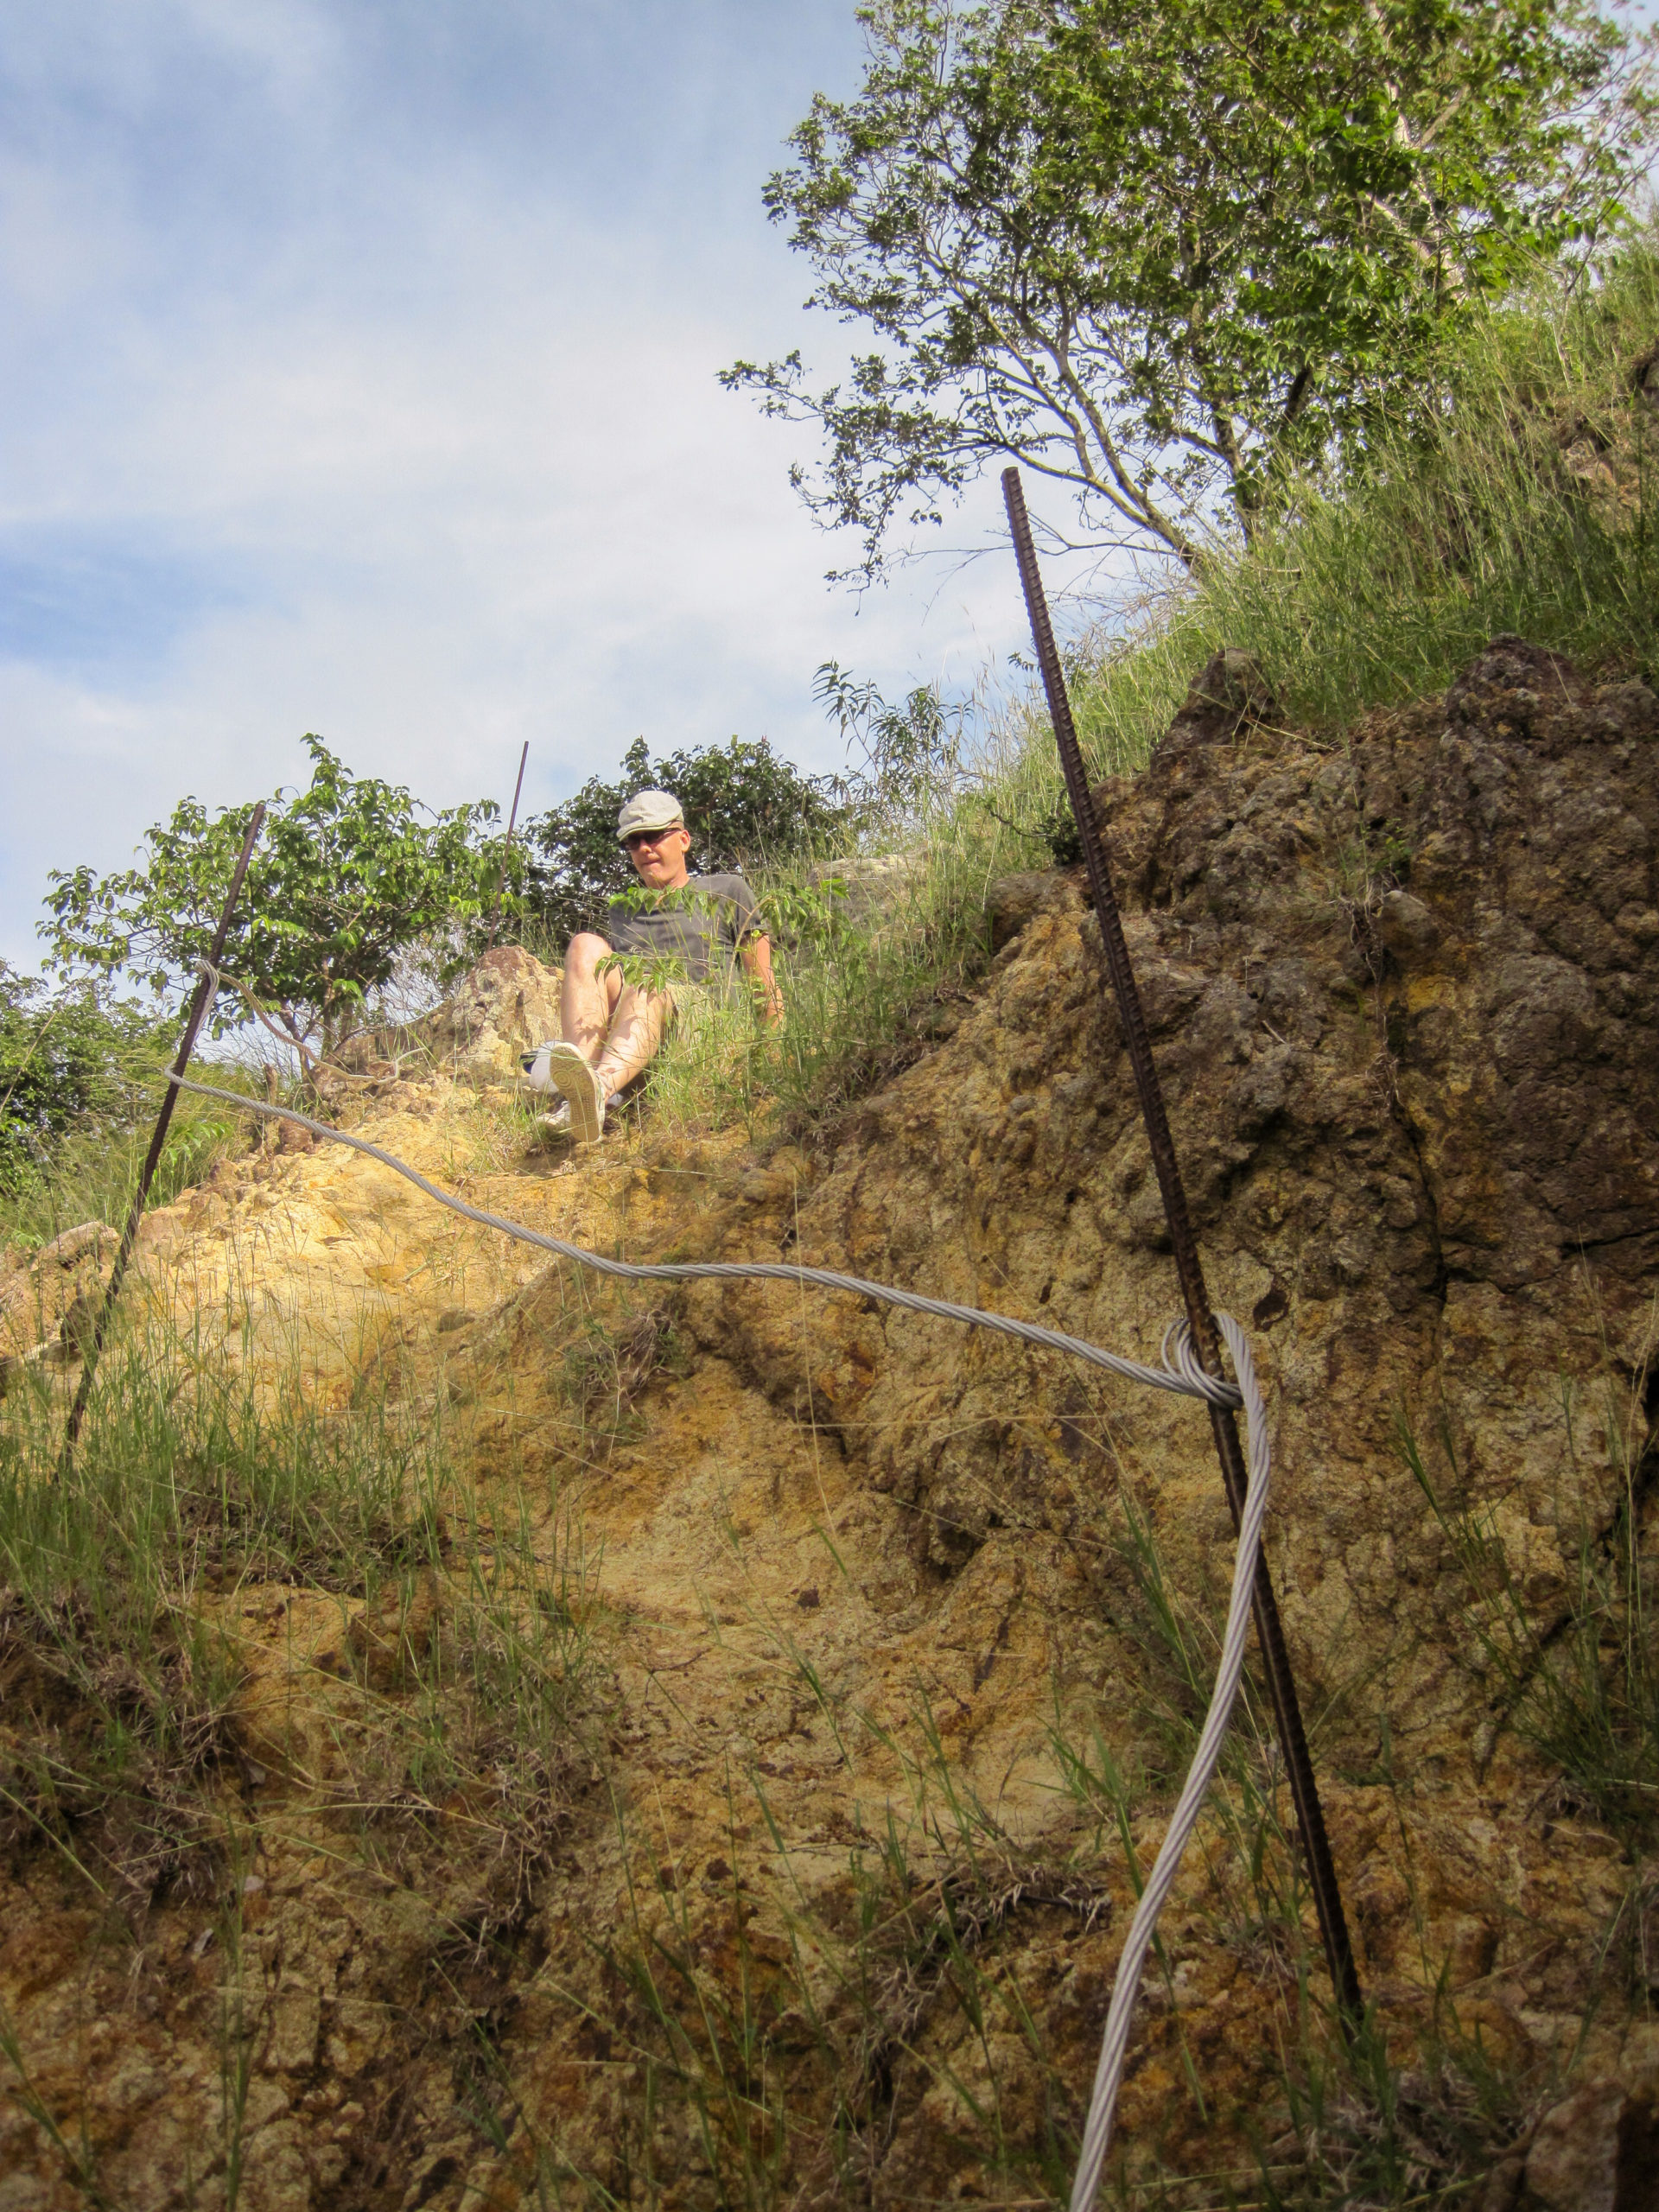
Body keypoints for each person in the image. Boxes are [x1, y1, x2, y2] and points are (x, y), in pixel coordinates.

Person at [524, 788, 784, 1142]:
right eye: (634, 841)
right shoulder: (623, 910)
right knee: (585, 945)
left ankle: (596, 1092)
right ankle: (580, 1096)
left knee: (648, 981)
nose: (645, 848)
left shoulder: (728, 890)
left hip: (705, 1037)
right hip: (641, 1047)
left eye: (654, 836)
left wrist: (774, 1061)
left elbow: (763, 982)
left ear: (684, 839)